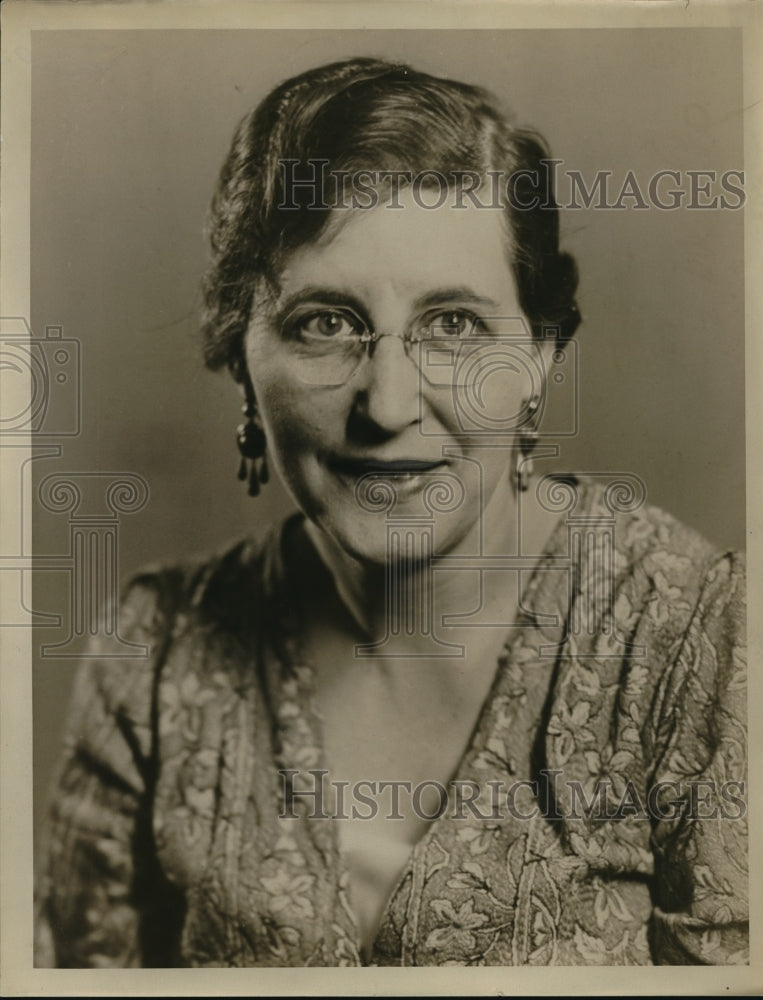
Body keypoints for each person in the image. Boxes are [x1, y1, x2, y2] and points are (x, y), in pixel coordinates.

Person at [35, 57, 747, 968]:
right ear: (241, 355)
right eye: (324, 322)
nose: (386, 405)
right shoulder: (154, 652)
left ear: (537, 358)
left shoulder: (695, 637)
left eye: (452, 325)